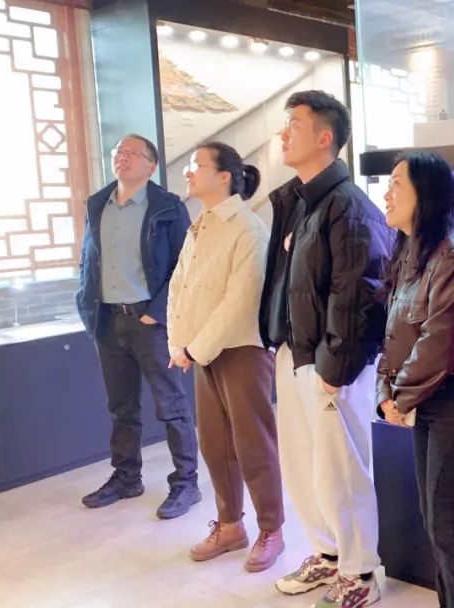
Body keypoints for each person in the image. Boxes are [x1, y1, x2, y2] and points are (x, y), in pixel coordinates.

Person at [259, 90, 393, 607]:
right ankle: (329, 553)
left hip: (332, 363)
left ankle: (361, 572)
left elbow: (359, 292)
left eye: (293, 124)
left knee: (341, 469)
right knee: (304, 465)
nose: (283, 133)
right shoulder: (297, 202)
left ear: (324, 137)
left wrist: (335, 367)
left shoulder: (348, 205)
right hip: (295, 352)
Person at [376, 152, 454, 608]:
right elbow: (395, 335)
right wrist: (387, 393)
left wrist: (399, 398)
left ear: (424, 194)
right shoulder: (411, 251)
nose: (386, 194)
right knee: (437, 523)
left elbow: (438, 342)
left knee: (450, 527)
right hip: (428, 400)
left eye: (396, 184)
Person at [167, 142, 285, 573]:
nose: (188, 172)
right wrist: (179, 344)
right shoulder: (199, 225)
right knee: (214, 444)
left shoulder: (247, 228)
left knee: (253, 444)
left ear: (224, 177)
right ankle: (230, 525)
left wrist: (194, 348)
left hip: (241, 349)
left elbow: (240, 301)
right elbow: (179, 287)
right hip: (202, 351)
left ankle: (271, 529)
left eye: (196, 165)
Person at [76, 134, 200, 519]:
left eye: (132, 153)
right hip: (107, 320)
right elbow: (87, 260)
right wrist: (86, 303)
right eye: (119, 152)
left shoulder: (168, 207)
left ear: (151, 165)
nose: (123, 158)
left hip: (151, 323)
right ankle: (126, 477)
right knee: (121, 406)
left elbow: (186, 265)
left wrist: (157, 312)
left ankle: (186, 482)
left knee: (171, 405)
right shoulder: (98, 204)